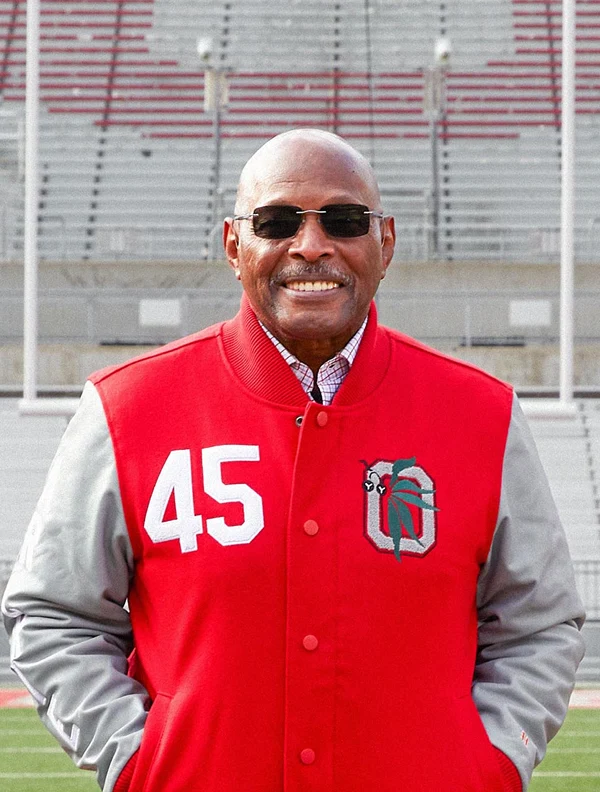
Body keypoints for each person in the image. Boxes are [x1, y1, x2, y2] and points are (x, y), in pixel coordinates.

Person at [2, 129, 585, 792]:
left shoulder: (482, 415)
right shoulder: (127, 409)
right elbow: (52, 613)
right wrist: (141, 762)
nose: (312, 245)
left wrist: (490, 760)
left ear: (385, 244)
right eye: (277, 221)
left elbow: (539, 624)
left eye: (345, 220)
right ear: (233, 245)